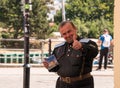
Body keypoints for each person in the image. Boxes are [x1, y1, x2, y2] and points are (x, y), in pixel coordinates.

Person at [43, 21, 98, 88]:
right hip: (61, 84)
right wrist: (49, 66)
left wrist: (81, 46)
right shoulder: (58, 48)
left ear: (75, 29)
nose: (67, 35)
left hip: (82, 85)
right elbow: (55, 68)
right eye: (64, 34)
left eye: (69, 31)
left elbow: (94, 51)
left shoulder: (87, 43)